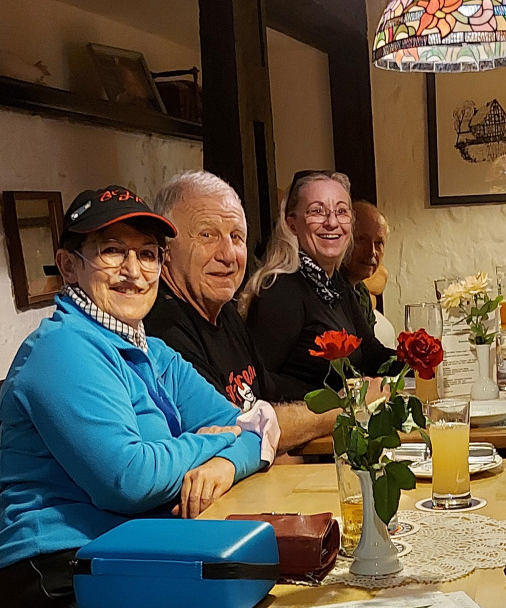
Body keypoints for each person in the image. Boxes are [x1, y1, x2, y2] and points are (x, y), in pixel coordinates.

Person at [0, 185, 278, 608]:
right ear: (69, 266)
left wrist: (224, 464)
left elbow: (256, 427)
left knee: (272, 601)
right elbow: (129, 481)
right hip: (58, 574)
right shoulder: (62, 350)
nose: (134, 271)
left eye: (147, 254)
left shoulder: (153, 352)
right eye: (111, 251)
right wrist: (210, 441)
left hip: (132, 551)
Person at [144, 170, 341, 452]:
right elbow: (235, 430)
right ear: (165, 249)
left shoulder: (225, 312)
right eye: (207, 235)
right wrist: (340, 410)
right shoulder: (162, 329)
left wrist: (342, 393)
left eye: (236, 237)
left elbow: (268, 392)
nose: (228, 255)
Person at [242, 171, 391, 399]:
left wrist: (423, 362)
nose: (332, 222)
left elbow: (371, 354)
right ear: (291, 224)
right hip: (300, 420)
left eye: (341, 212)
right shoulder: (280, 290)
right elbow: (257, 380)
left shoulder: (336, 284)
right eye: (317, 211)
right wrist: (332, 400)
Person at [342, 199, 397, 350]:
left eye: (379, 243)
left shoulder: (361, 292)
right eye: (361, 239)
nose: (372, 251)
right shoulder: (331, 290)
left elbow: (369, 350)